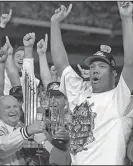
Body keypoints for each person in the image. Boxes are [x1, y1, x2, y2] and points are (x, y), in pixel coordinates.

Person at [50, 2, 133, 165]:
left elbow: (130, 62)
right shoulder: (79, 92)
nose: (95, 69)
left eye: (102, 66)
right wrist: (54, 23)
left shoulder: (120, 98)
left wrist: (126, 18)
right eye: (93, 66)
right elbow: (61, 64)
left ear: (114, 74)